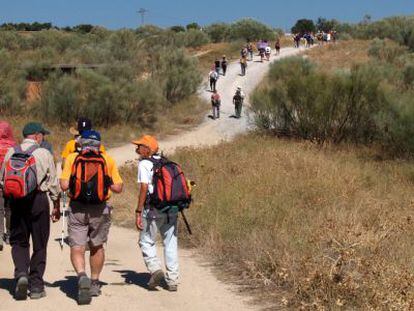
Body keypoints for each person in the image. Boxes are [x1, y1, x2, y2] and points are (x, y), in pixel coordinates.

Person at [60, 129, 123, 305]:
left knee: (77, 246)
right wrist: (107, 181)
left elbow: (64, 185)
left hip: (77, 208)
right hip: (100, 209)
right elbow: (118, 188)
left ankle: (81, 275)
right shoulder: (107, 160)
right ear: (99, 144)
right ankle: (95, 282)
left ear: (82, 142)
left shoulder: (73, 158)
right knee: (97, 245)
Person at [0, 122, 61, 300]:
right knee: (39, 244)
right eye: (42, 135)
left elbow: (3, 179)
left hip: (17, 202)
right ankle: (36, 286)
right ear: (37, 136)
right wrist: (56, 204)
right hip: (39, 201)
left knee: (19, 241)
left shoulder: (12, 151)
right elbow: (53, 183)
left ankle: (21, 274)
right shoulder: (44, 153)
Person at [133, 135, 180, 292]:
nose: (137, 149)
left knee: (146, 241)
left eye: (140, 146)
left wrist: (138, 211)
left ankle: (155, 269)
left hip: (153, 209)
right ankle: (173, 280)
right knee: (170, 243)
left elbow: (144, 188)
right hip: (172, 209)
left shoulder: (145, 164)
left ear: (147, 149)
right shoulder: (166, 162)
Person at [0, 121, 16, 251]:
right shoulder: (14, 147)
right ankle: (10, 234)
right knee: (9, 209)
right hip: (10, 182)